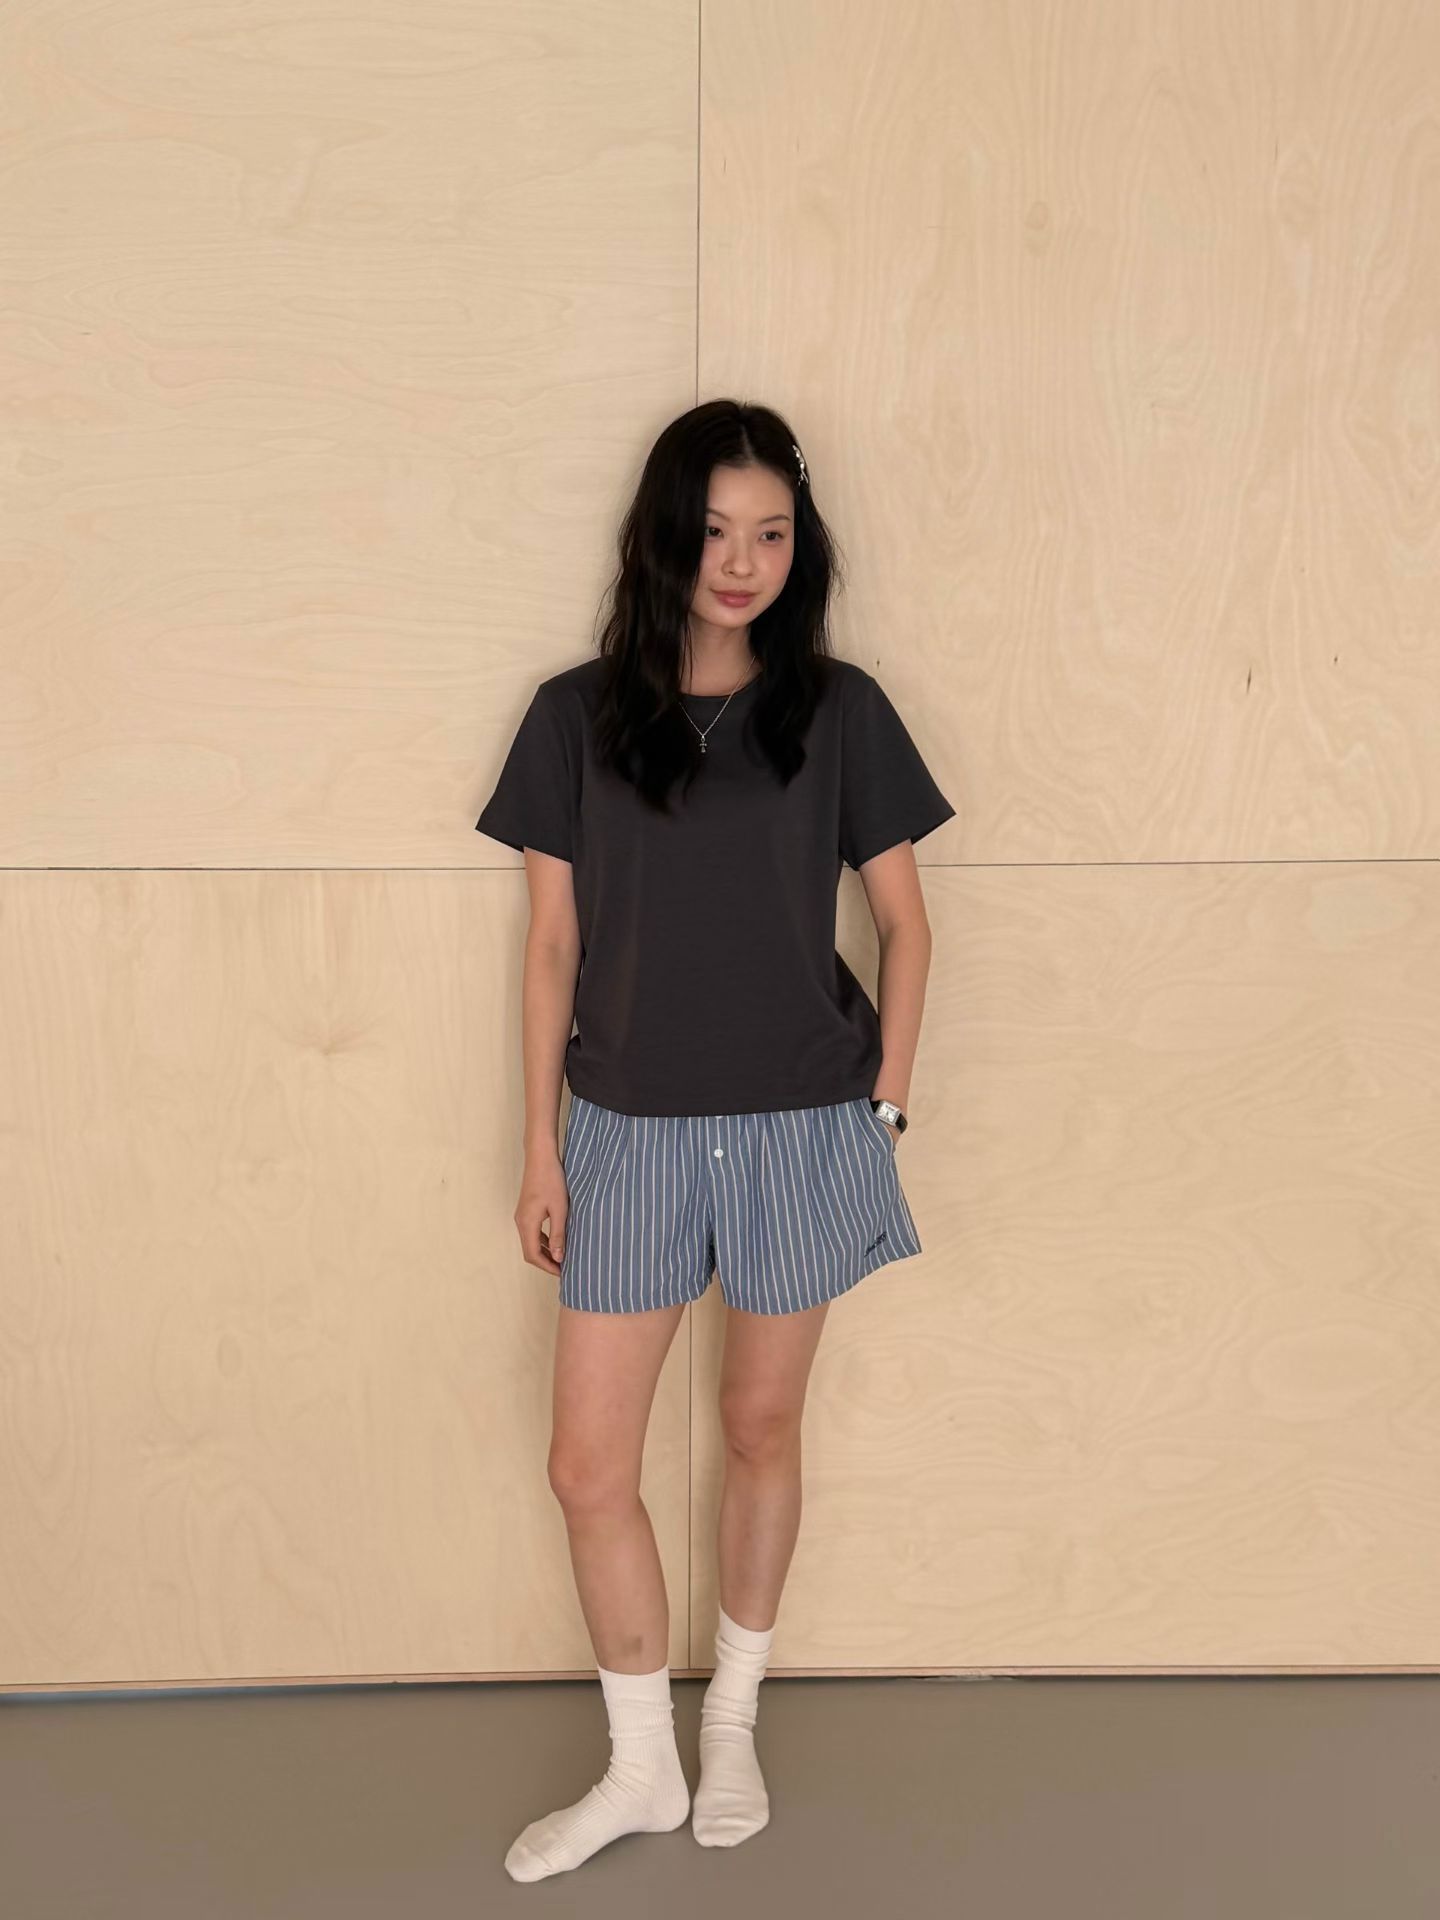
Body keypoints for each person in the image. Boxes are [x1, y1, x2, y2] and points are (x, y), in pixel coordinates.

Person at [474, 399, 956, 1881]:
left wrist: (885, 1107)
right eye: (713, 531)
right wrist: (543, 1148)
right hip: (626, 1131)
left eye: (771, 533)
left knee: (760, 1428)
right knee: (587, 1464)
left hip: (805, 1123)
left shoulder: (840, 710)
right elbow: (550, 948)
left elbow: (905, 925)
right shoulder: (573, 716)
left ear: (800, 545)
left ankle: (731, 1724)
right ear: (662, 537)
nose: (741, 562)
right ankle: (641, 1768)